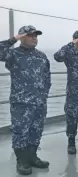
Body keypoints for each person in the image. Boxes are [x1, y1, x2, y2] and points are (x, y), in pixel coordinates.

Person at [0, 26, 51, 175]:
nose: (34, 38)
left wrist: (44, 95)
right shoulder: (13, 54)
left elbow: (47, 77)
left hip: (40, 102)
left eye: (36, 35)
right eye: (30, 35)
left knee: (36, 130)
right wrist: (13, 39)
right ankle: (22, 161)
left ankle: (33, 157)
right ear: (22, 37)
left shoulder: (41, 56)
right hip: (21, 102)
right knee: (20, 132)